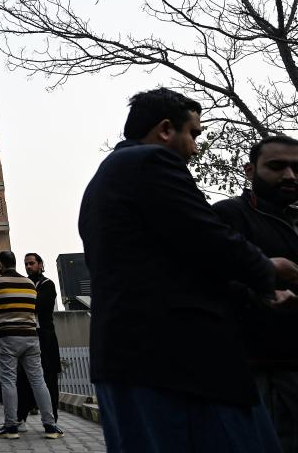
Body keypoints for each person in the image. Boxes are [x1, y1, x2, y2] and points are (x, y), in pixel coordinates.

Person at [80, 88, 298, 452]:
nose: (195, 148)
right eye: (193, 134)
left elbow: (180, 262)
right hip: (174, 364)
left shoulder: (110, 177)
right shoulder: (150, 163)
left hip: (135, 359)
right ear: (166, 129)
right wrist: (267, 268)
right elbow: (207, 237)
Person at [214, 135, 298, 452]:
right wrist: (264, 294)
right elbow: (214, 282)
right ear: (250, 170)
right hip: (259, 370)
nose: (290, 176)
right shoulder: (228, 215)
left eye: (297, 168)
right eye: (277, 166)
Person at [0, 251, 62, 440]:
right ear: (17, 263)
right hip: (31, 336)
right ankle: (50, 425)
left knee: (9, 381)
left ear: (0, 264)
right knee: (38, 380)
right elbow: (34, 307)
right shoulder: (29, 285)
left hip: (7, 337)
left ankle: (11, 426)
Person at [15, 252, 59, 427]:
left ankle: (51, 420)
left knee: (49, 378)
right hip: (27, 336)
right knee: (23, 378)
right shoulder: (25, 284)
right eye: (26, 264)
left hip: (45, 338)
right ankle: (20, 418)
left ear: (40, 264)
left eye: (31, 263)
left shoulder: (47, 284)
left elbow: (41, 305)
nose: (28, 267)